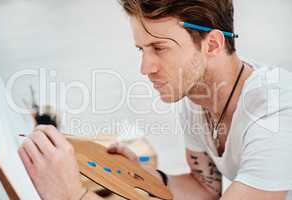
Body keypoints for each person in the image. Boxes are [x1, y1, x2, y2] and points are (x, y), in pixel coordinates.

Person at [18, 0, 292, 199]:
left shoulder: (275, 111)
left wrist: (69, 195)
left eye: (159, 48)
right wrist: (146, 176)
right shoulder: (196, 98)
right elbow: (206, 190)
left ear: (212, 44)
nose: (145, 67)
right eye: (142, 49)